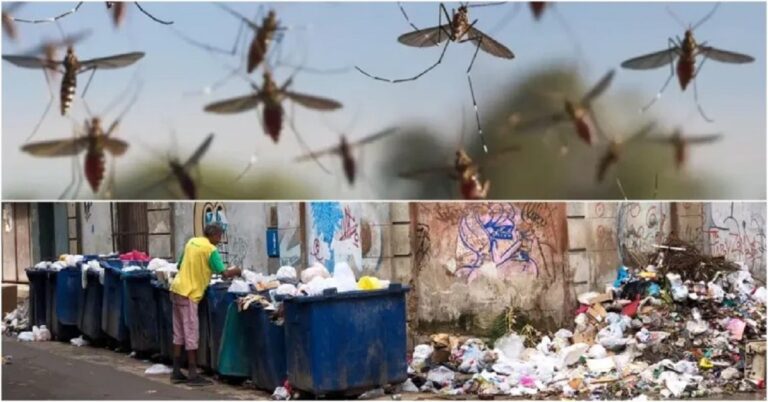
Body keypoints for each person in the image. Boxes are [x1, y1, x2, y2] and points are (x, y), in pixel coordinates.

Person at [169, 222, 241, 386]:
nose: (220, 240)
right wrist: (237, 271)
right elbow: (224, 274)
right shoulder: (210, 250)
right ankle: (193, 373)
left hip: (176, 289)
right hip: (190, 293)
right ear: (214, 235)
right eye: (219, 236)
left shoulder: (191, 242)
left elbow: (180, 265)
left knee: (178, 332)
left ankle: (176, 370)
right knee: (191, 332)